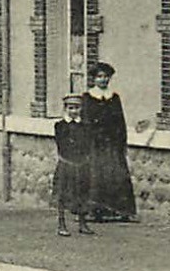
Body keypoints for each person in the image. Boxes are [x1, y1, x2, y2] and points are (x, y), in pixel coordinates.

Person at [82, 62, 137, 222]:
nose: (103, 80)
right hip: (95, 143)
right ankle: (95, 210)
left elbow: (120, 121)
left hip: (112, 143)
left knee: (116, 173)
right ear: (93, 79)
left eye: (106, 77)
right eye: (99, 77)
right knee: (96, 174)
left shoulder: (114, 97)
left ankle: (119, 210)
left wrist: (122, 141)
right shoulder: (87, 98)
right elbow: (85, 121)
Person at [52, 93, 94, 236]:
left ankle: (83, 223)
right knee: (63, 194)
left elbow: (88, 144)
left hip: (82, 164)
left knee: (83, 193)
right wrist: (69, 159)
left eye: (77, 108)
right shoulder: (60, 126)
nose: (74, 111)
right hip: (67, 163)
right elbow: (61, 145)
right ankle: (61, 224)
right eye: (71, 108)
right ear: (66, 109)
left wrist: (85, 159)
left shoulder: (86, 126)